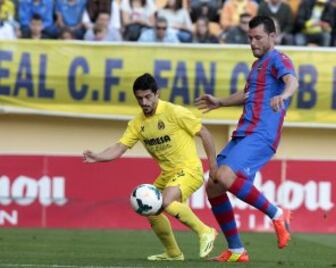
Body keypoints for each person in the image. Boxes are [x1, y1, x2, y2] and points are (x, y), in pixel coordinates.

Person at [195, 15, 299, 263]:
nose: (252, 43)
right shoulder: (257, 66)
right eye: (250, 38)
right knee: (213, 186)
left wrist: (284, 95)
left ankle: (277, 213)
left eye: (258, 38)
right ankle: (236, 250)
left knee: (226, 175)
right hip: (243, 133)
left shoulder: (278, 58)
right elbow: (247, 95)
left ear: (273, 37)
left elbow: (292, 80)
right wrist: (220, 101)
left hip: (261, 134)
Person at [83, 73, 217, 261]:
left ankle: (206, 231)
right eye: (139, 98)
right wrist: (97, 156)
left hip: (189, 169)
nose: (144, 102)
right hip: (168, 174)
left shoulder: (174, 112)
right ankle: (173, 253)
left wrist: (213, 166)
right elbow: (119, 147)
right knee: (151, 211)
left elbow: (205, 134)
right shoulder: (137, 123)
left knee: (166, 201)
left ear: (157, 94)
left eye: (148, 97)